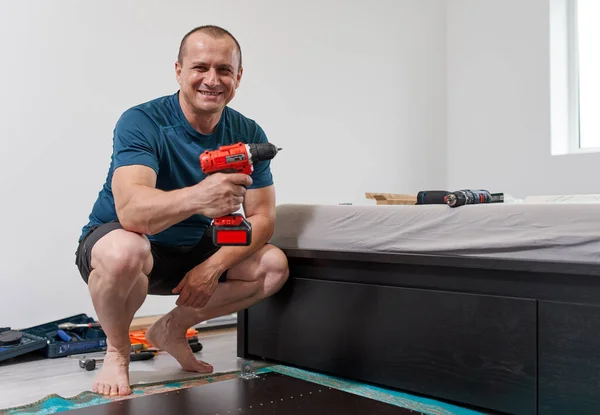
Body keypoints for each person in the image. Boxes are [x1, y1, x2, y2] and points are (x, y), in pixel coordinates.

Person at [74, 25, 289, 397]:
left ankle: (171, 328)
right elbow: (132, 213)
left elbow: (263, 219)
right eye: (199, 67)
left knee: (272, 266)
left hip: (195, 247)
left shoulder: (248, 133)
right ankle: (117, 350)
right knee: (125, 250)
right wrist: (199, 197)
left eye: (224, 70)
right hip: (131, 242)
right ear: (179, 71)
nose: (212, 79)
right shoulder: (142, 121)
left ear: (238, 77)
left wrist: (213, 267)